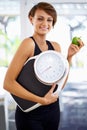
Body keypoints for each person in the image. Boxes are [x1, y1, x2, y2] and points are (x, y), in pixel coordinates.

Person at [3, 2, 84, 130]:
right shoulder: (28, 44)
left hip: (52, 110)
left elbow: (59, 85)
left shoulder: (56, 47)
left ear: (53, 24)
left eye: (49, 20)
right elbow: (8, 83)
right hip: (30, 113)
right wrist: (41, 100)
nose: (45, 23)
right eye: (40, 18)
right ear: (31, 19)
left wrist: (69, 57)